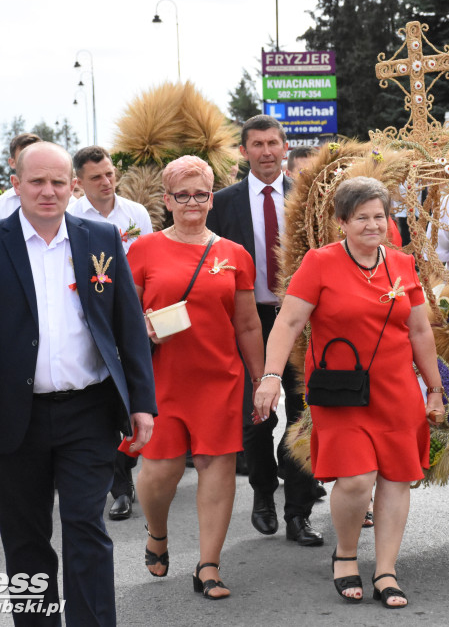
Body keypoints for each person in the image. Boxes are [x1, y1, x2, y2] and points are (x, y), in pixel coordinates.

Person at [0, 141, 156, 625]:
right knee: (25, 538)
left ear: (73, 186)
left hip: (88, 412)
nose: (48, 191)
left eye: (58, 182)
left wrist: (141, 401)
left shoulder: (100, 238)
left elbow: (128, 325)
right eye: (37, 182)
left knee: (86, 527)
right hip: (10, 415)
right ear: (15, 184)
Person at [255, 176, 444, 608]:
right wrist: (270, 375)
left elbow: (419, 330)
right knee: (357, 479)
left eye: (380, 216)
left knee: (397, 477)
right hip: (341, 392)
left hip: (397, 390)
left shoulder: (402, 264)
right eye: (362, 218)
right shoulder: (319, 263)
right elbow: (287, 323)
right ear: (342, 221)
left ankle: (386, 570)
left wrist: (434, 389)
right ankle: (345, 554)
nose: (373, 225)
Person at [125, 154, 263, 600]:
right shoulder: (143, 250)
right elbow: (124, 317)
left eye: (200, 194)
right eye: (181, 194)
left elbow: (247, 325)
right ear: (166, 199)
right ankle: (158, 532)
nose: (191, 202)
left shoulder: (233, 254)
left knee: (216, 466)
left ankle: (209, 566)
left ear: (211, 198)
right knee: (159, 471)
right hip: (161, 378)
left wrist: (262, 379)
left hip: (219, 378)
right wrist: (142, 325)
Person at [206, 114, 323, 547]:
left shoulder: (308, 198)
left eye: (274, 143)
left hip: (299, 322)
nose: (267, 151)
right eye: (257, 144)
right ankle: (262, 494)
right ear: (244, 151)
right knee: (255, 419)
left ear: (285, 146)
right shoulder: (223, 203)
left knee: (300, 414)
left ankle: (298, 513)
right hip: (246, 322)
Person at [68, 145, 154, 522]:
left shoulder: (135, 213)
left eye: (109, 175)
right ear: (78, 183)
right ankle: (119, 487)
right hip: (96, 320)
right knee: (109, 401)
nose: (105, 183)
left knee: (135, 399)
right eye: (96, 177)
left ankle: (132, 469)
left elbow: (151, 262)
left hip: (134, 315)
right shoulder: (70, 217)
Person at [0, 132, 42, 224]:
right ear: (12, 163)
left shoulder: (65, 200)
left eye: (37, 155)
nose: (32, 161)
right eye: (25, 156)